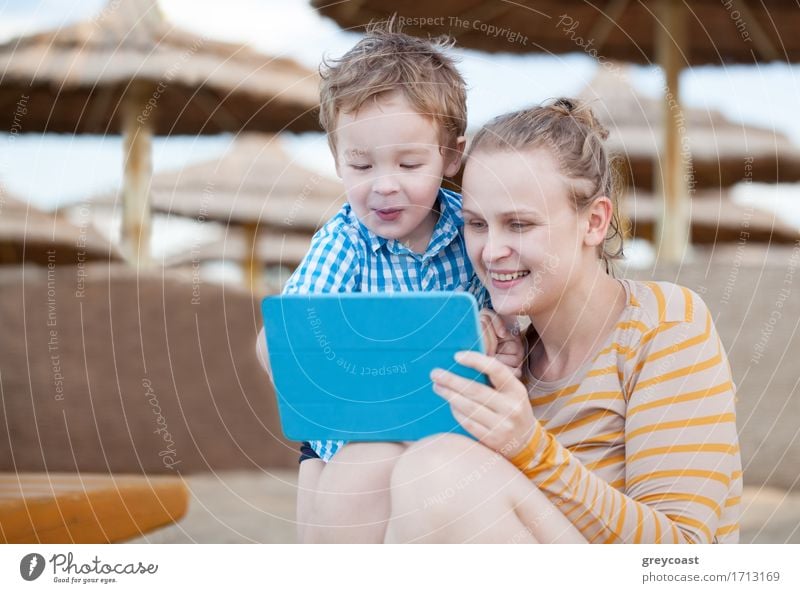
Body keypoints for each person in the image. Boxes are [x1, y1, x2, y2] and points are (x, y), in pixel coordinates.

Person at [381, 98, 742, 543]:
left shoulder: (666, 327)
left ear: (594, 221)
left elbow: (683, 555)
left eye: (518, 224)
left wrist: (529, 446)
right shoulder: (508, 360)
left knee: (435, 471)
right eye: (476, 224)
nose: (491, 251)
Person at [254, 24, 523, 543]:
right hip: (354, 430)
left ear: (451, 156)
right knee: (339, 499)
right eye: (360, 164)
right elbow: (287, 336)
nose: (383, 184)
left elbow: (505, 321)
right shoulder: (345, 241)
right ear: (336, 157)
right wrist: (288, 353)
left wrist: (502, 341)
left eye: (408, 163)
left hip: (447, 422)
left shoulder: (469, 228)